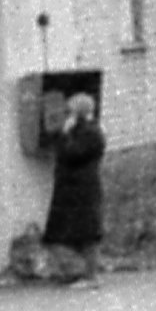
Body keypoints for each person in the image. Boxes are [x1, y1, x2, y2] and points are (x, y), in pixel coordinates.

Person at [41, 92, 109, 285]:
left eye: (70, 111)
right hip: (71, 189)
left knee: (87, 233)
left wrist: (64, 134)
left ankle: (89, 275)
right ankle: (74, 271)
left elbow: (72, 153)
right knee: (64, 233)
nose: (67, 115)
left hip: (83, 189)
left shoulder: (90, 133)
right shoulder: (81, 131)